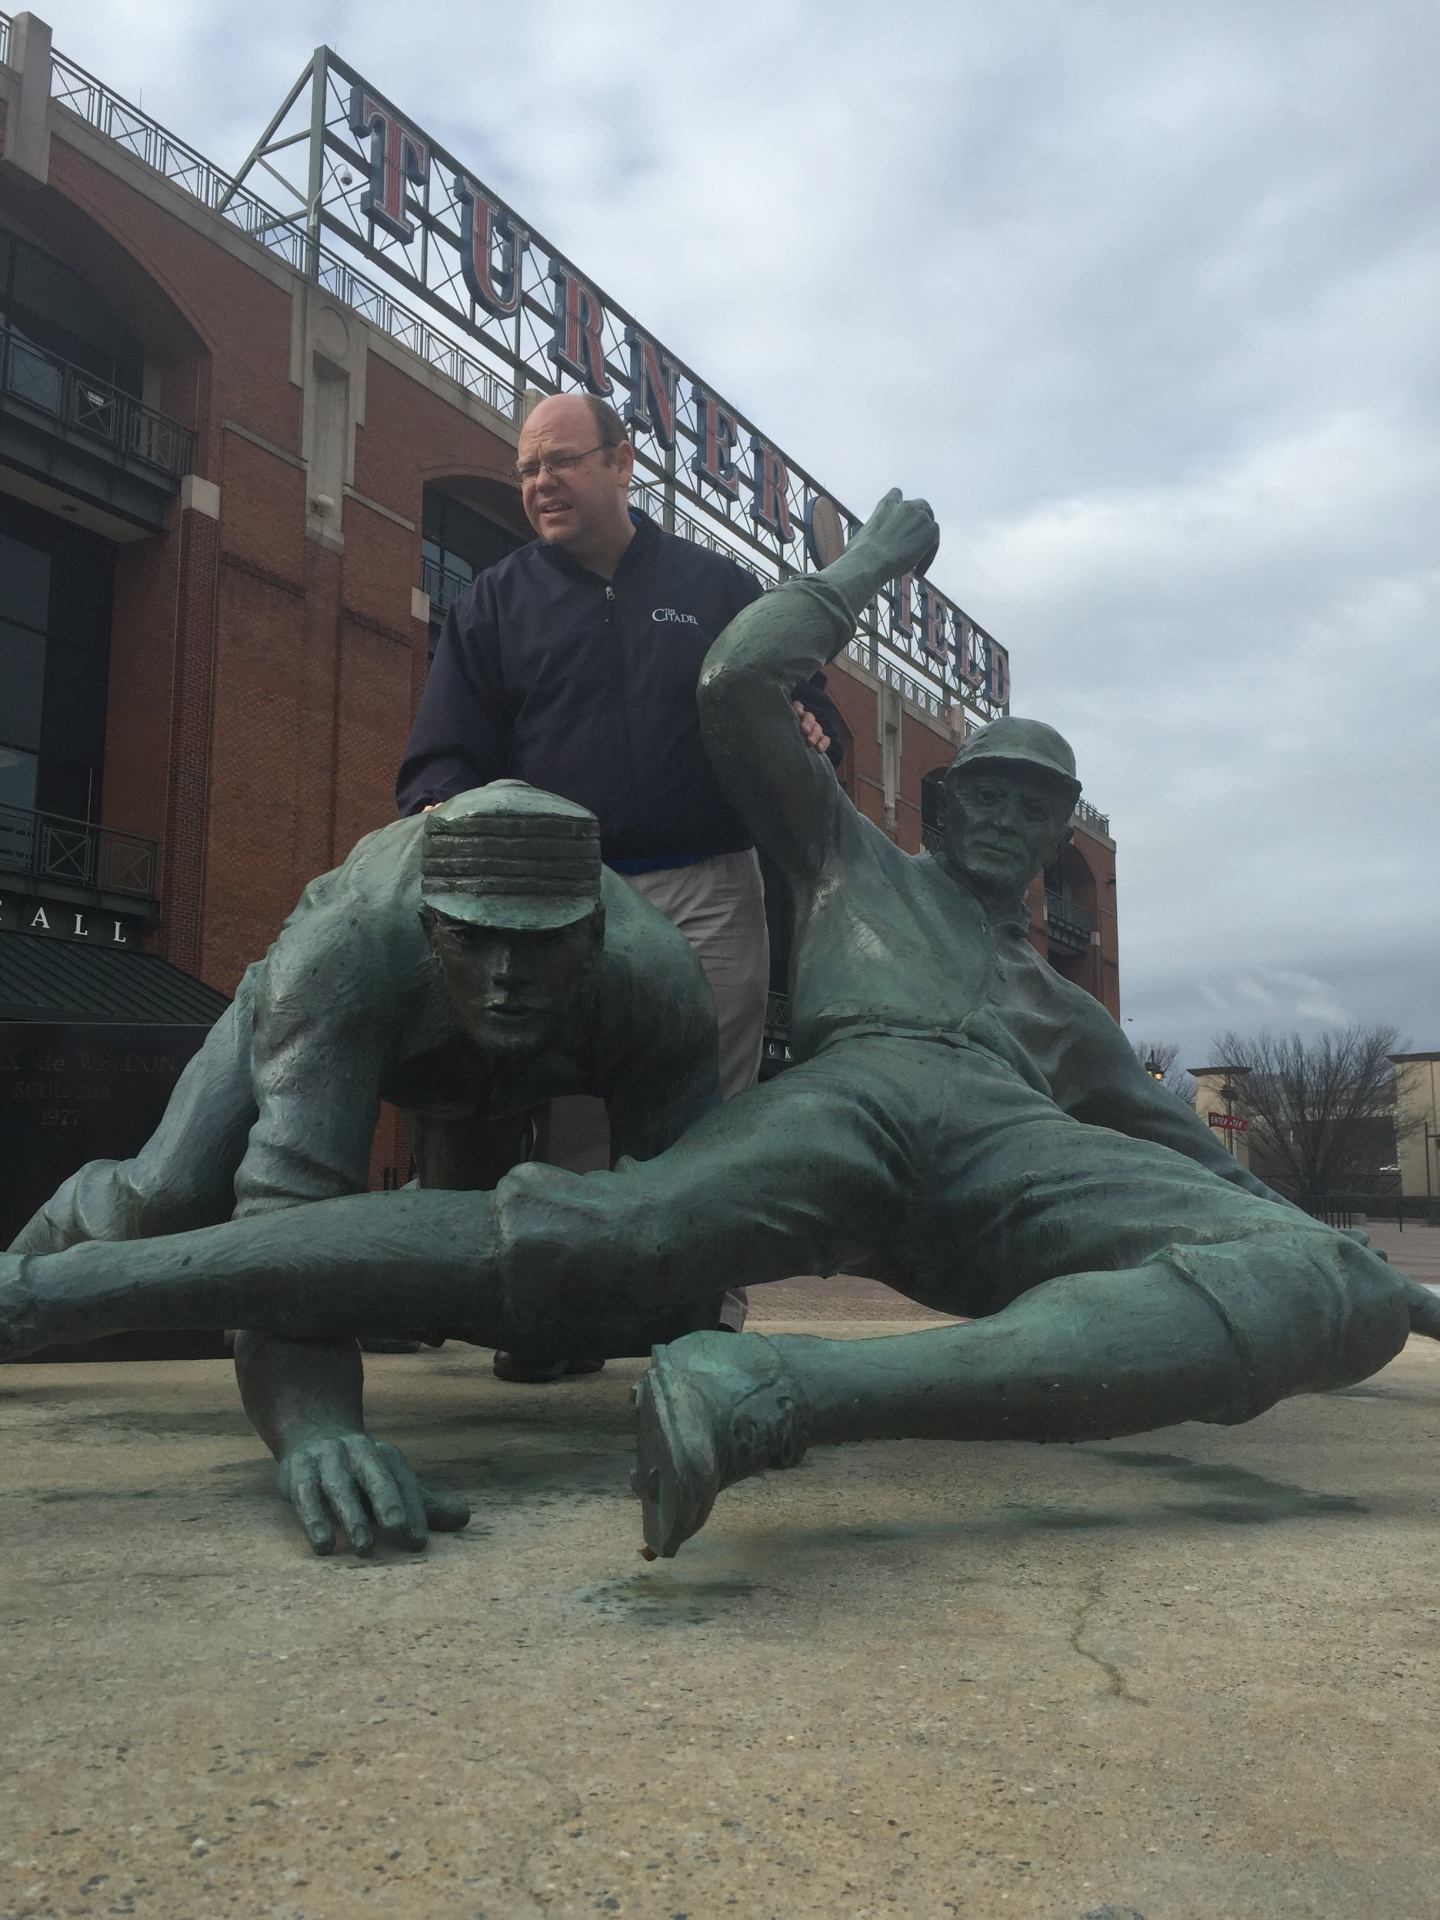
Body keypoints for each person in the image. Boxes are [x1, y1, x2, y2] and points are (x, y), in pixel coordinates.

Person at [5, 495, 1434, 1562]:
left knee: (1331, 1296)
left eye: (1034, 804)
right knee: (603, 1237)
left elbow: (1179, 1147)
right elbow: (738, 679)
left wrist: (1377, 1270)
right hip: (851, 1105)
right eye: (980, 791)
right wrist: (871, 564)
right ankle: (49, 1292)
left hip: (1009, 1155)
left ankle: (788, 1390)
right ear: (933, 809)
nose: (1003, 814)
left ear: (1063, 838)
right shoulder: (851, 861)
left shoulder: (1069, 1020)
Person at [9, 783, 731, 1555]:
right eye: (471, 937)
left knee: (506, 1278)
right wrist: (314, 1426)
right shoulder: (340, 956)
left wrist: (577, 1300)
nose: (505, 975)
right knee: (163, 1198)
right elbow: (282, 1242)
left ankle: (456, 1309)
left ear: (594, 934)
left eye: (541, 943)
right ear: (428, 929)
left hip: (492, 1077)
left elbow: (684, 1254)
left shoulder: (658, 980)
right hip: (355, 1021)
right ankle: (18, 1269)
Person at [397, 390, 841, 1103]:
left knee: (707, 1115)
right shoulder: (492, 603)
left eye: (561, 462)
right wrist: (439, 809)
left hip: (711, 892)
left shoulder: (717, 584)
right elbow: (443, 754)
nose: (541, 483)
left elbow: (804, 700)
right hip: (565, 901)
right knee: (575, 1124)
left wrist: (811, 726)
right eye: (527, 470)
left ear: (622, 462)